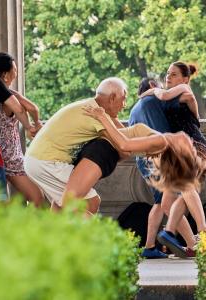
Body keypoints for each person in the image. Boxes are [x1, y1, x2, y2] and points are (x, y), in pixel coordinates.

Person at [24, 78, 129, 216]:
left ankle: (51, 236)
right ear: (112, 98)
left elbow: (126, 134)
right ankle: (96, 236)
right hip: (47, 162)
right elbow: (125, 147)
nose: (125, 105)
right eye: (123, 99)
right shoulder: (96, 116)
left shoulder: (92, 107)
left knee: (61, 207)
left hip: (37, 160)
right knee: (91, 202)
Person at [141, 62, 206, 258]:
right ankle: (182, 239)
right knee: (167, 203)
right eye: (167, 74)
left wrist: (152, 92)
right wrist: (151, 93)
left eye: (174, 74)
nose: (168, 77)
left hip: (196, 146)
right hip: (181, 150)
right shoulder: (169, 95)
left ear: (185, 79)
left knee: (186, 187)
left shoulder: (184, 90)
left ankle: (202, 233)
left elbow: (163, 95)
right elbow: (159, 95)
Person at [130, 78, 197, 259]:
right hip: (161, 156)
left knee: (160, 203)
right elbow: (187, 98)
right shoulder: (156, 99)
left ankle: (150, 246)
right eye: (161, 85)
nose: (166, 88)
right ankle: (193, 245)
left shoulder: (134, 110)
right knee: (171, 202)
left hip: (143, 160)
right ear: (152, 86)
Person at [0, 53, 44, 207]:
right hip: (11, 157)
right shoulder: (9, 96)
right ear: (5, 75)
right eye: (15, 70)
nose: (17, 74)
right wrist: (35, 124)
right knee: (38, 198)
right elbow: (32, 108)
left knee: (12, 202)